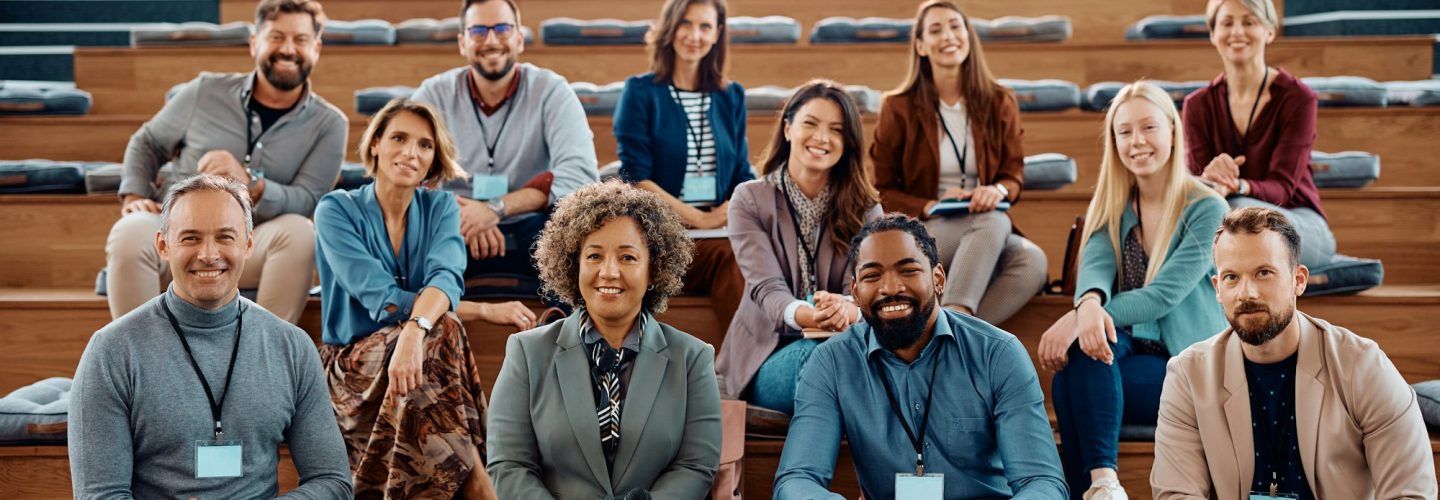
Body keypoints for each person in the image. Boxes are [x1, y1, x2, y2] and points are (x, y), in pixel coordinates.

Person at [69, 174, 351, 499]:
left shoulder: (293, 348)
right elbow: (99, 495)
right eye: (190, 238)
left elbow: (333, 482)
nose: (208, 253)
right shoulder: (111, 351)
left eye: (225, 237)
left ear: (247, 244)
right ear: (163, 245)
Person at [773, 214, 1066, 499]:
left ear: (938, 279)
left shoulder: (998, 353)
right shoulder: (832, 363)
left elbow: (1042, 483)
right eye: (872, 276)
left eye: (908, 270)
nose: (890, 288)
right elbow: (798, 479)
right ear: (856, 292)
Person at [1152, 207, 1436, 499]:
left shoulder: (1363, 365)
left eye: (1263, 273)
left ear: (1298, 280)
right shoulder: (1187, 375)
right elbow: (1176, 495)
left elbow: (1411, 493)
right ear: (1217, 288)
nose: (1246, 293)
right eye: (1231, 278)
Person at [1036, 81, 1229, 500]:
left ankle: (1084, 488)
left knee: (1075, 374)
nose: (1136, 141)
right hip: (1125, 351)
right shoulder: (1113, 205)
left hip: (1186, 365)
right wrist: (1087, 303)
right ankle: (1103, 484)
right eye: (1124, 132)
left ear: (1173, 132)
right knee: (1083, 357)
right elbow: (1095, 270)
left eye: (1148, 127)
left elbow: (1162, 296)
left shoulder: (1208, 208)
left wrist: (1078, 318)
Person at [313, 99, 510, 499]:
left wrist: (413, 332)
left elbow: (447, 278)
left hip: (418, 362)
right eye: (399, 138)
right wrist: (425, 323)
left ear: (434, 157)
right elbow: (379, 297)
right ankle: (478, 482)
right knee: (444, 325)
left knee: (441, 328)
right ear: (375, 146)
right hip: (352, 369)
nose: (411, 152)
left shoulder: (440, 207)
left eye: (424, 145)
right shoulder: (335, 209)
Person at [107, 0, 346, 324]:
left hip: (251, 244)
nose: (288, 49)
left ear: (316, 48)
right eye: (276, 37)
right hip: (181, 237)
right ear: (254, 42)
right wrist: (134, 196)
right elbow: (146, 142)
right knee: (130, 231)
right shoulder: (205, 90)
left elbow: (308, 200)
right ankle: (140, 362)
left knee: (301, 232)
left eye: (300, 40)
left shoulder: (330, 124)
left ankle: (263, 360)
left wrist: (251, 183)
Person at [487, 180, 722, 499]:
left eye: (628, 258)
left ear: (653, 270)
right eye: (594, 256)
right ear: (574, 265)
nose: (609, 272)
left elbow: (695, 466)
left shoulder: (692, 358)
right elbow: (509, 467)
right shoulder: (527, 353)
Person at [869, 0, 1047, 326]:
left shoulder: (999, 100)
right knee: (994, 220)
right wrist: (932, 203)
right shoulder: (898, 107)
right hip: (925, 228)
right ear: (921, 46)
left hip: (984, 223)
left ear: (968, 36)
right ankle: (955, 324)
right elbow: (881, 190)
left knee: (1032, 260)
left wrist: (995, 190)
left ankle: (953, 332)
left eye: (955, 26)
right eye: (936, 30)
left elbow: (1013, 174)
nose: (948, 35)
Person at [411, 0, 599, 294]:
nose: (491, 40)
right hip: (453, 230)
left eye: (502, 29)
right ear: (462, 42)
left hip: (535, 229)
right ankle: (427, 327)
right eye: (478, 31)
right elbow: (406, 177)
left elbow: (581, 177)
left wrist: (493, 210)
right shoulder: (433, 94)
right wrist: (463, 216)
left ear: (519, 39)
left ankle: (564, 333)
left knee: (577, 235)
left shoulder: (552, 90)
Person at [717, 80, 881, 414]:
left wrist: (848, 309)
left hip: (846, 343)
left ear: (847, 143)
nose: (822, 138)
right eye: (811, 124)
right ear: (788, 128)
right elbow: (766, 288)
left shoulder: (866, 208)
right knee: (823, 359)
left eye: (836, 130)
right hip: (769, 354)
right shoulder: (749, 199)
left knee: (840, 356)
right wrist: (809, 315)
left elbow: (869, 287)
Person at [614, 0, 747, 332]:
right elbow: (635, 177)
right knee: (732, 255)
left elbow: (743, 173)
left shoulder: (730, 95)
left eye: (705, 26)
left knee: (753, 248)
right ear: (670, 28)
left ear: (717, 34)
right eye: (686, 24)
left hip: (718, 230)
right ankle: (752, 367)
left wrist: (729, 211)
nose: (694, 35)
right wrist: (699, 219)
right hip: (659, 231)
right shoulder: (641, 92)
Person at [1184, 0, 1335, 270]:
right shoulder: (1197, 105)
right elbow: (1197, 189)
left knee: (1238, 213)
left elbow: (1282, 187)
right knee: (1211, 215)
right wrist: (1210, 178)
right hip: (1223, 220)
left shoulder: (1298, 98)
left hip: (1300, 223)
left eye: (1249, 22)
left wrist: (1237, 185)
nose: (1237, 32)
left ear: (1269, 31)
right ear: (1213, 34)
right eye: (1227, 23)